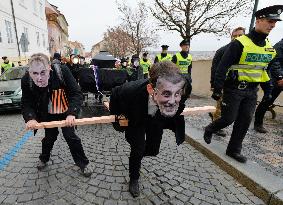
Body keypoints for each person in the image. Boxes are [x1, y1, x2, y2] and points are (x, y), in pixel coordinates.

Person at [203, 5, 283, 163]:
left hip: (252, 91)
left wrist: (268, 89)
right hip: (234, 89)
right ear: (258, 21)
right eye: (270, 21)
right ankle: (210, 128)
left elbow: (263, 70)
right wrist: (217, 88)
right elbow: (222, 66)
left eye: (275, 22)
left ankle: (233, 150)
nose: (273, 25)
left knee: (245, 121)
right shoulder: (239, 43)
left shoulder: (268, 48)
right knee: (228, 118)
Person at [109, 61, 190, 197]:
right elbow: (115, 94)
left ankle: (139, 154)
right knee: (138, 148)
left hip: (156, 117)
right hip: (137, 116)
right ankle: (134, 178)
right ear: (150, 89)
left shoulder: (182, 84)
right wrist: (119, 120)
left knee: (153, 150)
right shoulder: (130, 90)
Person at [21, 53, 92, 177]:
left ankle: (83, 163)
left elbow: (76, 93)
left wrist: (72, 113)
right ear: (29, 71)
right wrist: (30, 118)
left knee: (71, 137)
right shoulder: (26, 80)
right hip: (47, 113)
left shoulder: (62, 71)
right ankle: (44, 158)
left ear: (49, 68)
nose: (39, 78)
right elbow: (27, 102)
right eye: (35, 73)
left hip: (65, 112)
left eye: (43, 73)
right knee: (49, 138)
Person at [209, 27, 246, 137]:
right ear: (231, 37)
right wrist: (214, 85)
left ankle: (214, 116)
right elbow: (215, 68)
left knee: (230, 108)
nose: (237, 38)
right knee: (221, 105)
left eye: (240, 35)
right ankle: (215, 127)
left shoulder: (246, 50)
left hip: (239, 85)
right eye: (235, 36)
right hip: (224, 83)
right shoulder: (222, 50)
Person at [254, 38, 283, 133]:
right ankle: (258, 124)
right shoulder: (279, 45)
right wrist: (279, 77)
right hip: (275, 78)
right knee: (267, 101)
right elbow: (275, 62)